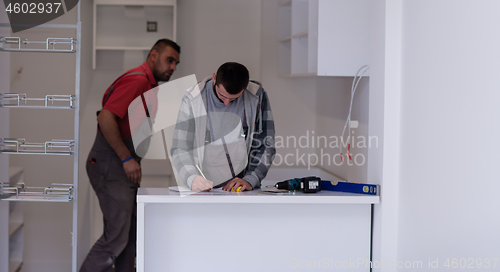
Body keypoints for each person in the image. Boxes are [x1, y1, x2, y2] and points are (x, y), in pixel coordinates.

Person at [80, 39, 180, 272]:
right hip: (111, 165)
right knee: (116, 237)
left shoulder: (149, 85)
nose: (173, 67)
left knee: (130, 236)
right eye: (170, 60)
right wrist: (126, 159)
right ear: (153, 56)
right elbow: (105, 117)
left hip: (121, 166)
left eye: (176, 63)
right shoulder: (138, 80)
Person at [171, 62, 275, 192]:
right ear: (214, 78)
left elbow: (266, 144)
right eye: (222, 96)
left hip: (242, 190)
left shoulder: (257, 97)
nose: (226, 103)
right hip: (201, 189)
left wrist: (251, 179)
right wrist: (191, 178)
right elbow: (180, 148)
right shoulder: (192, 98)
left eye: (233, 99)